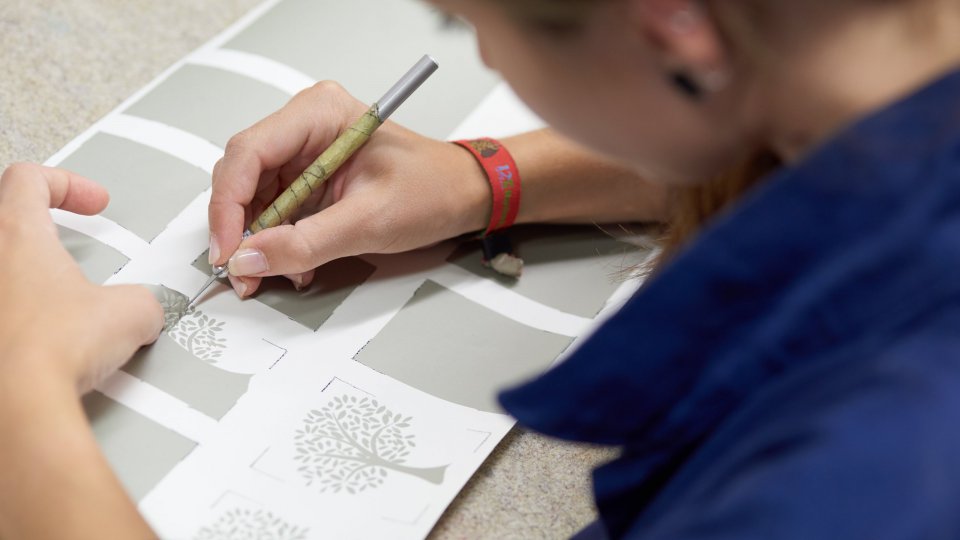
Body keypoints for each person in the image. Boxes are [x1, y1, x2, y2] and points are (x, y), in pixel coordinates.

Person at [1, 0, 959, 537]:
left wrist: (23, 396)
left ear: (673, 24)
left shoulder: (857, 483)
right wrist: (483, 177)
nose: (486, 54)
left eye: (466, 23)